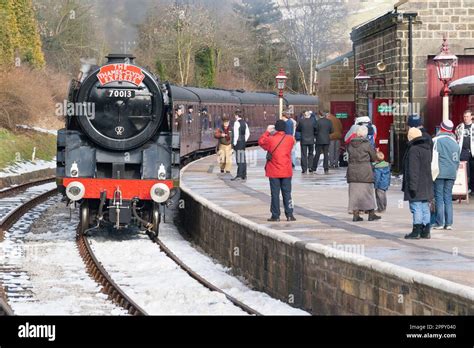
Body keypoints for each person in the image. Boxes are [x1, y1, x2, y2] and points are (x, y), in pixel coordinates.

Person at [258, 120, 296, 222]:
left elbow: (261, 142)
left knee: (275, 194)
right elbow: (291, 145)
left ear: (276, 128)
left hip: (274, 171)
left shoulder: (270, 139)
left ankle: (276, 215)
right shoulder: (290, 139)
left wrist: (267, 132)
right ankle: (289, 215)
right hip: (286, 171)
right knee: (287, 193)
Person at [402, 128, 433, 239]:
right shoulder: (427, 148)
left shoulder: (413, 150)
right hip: (426, 183)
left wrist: (412, 186)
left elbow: (413, 170)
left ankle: (416, 231)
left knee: (416, 207)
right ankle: (426, 230)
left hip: (417, 184)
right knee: (425, 207)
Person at [346, 126, 380, 222]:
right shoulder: (367, 144)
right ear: (365, 134)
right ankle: (371, 214)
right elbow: (373, 158)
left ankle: (356, 215)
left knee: (354, 194)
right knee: (368, 193)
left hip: (353, 171)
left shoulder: (350, 144)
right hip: (365, 171)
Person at [432, 120, 461, 231]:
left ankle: (439, 222)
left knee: (439, 197)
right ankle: (449, 223)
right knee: (448, 197)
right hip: (451, 173)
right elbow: (457, 159)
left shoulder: (436, 140)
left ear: (441, 128)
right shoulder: (455, 142)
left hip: (439, 172)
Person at [455, 110, 474, 194]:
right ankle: (465, 188)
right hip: (463, 151)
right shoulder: (459, 127)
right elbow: (456, 138)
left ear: (471, 117)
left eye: (467, 116)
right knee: (465, 172)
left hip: (473, 152)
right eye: (464, 116)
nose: (465, 118)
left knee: (473, 170)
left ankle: (472, 188)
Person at [232, 110, 250, 181]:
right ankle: (244, 175)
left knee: (239, 159)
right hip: (242, 142)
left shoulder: (236, 123)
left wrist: (234, 143)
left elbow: (236, 134)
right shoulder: (244, 123)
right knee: (243, 159)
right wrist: (244, 140)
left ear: (236, 115)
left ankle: (239, 175)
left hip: (238, 142)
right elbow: (248, 133)